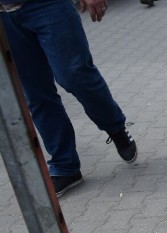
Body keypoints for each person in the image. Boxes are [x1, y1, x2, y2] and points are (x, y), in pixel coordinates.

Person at [0, 0, 137, 197]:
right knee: (36, 92)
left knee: (75, 76)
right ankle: (64, 165)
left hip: (48, 6)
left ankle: (115, 127)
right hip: (5, 16)